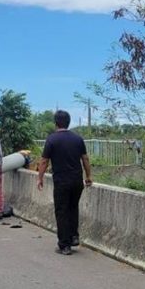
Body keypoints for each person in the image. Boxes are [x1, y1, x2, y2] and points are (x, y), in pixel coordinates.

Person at [36, 109, 92, 255]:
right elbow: (85, 158)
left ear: (56, 123)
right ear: (68, 122)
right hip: (77, 181)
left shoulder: (52, 139)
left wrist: (40, 178)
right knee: (73, 208)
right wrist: (89, 176)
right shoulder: (78, 139)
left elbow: (44, 161)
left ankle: (64, 245)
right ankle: (74, 236)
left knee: (62, 211)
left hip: (62, 182)